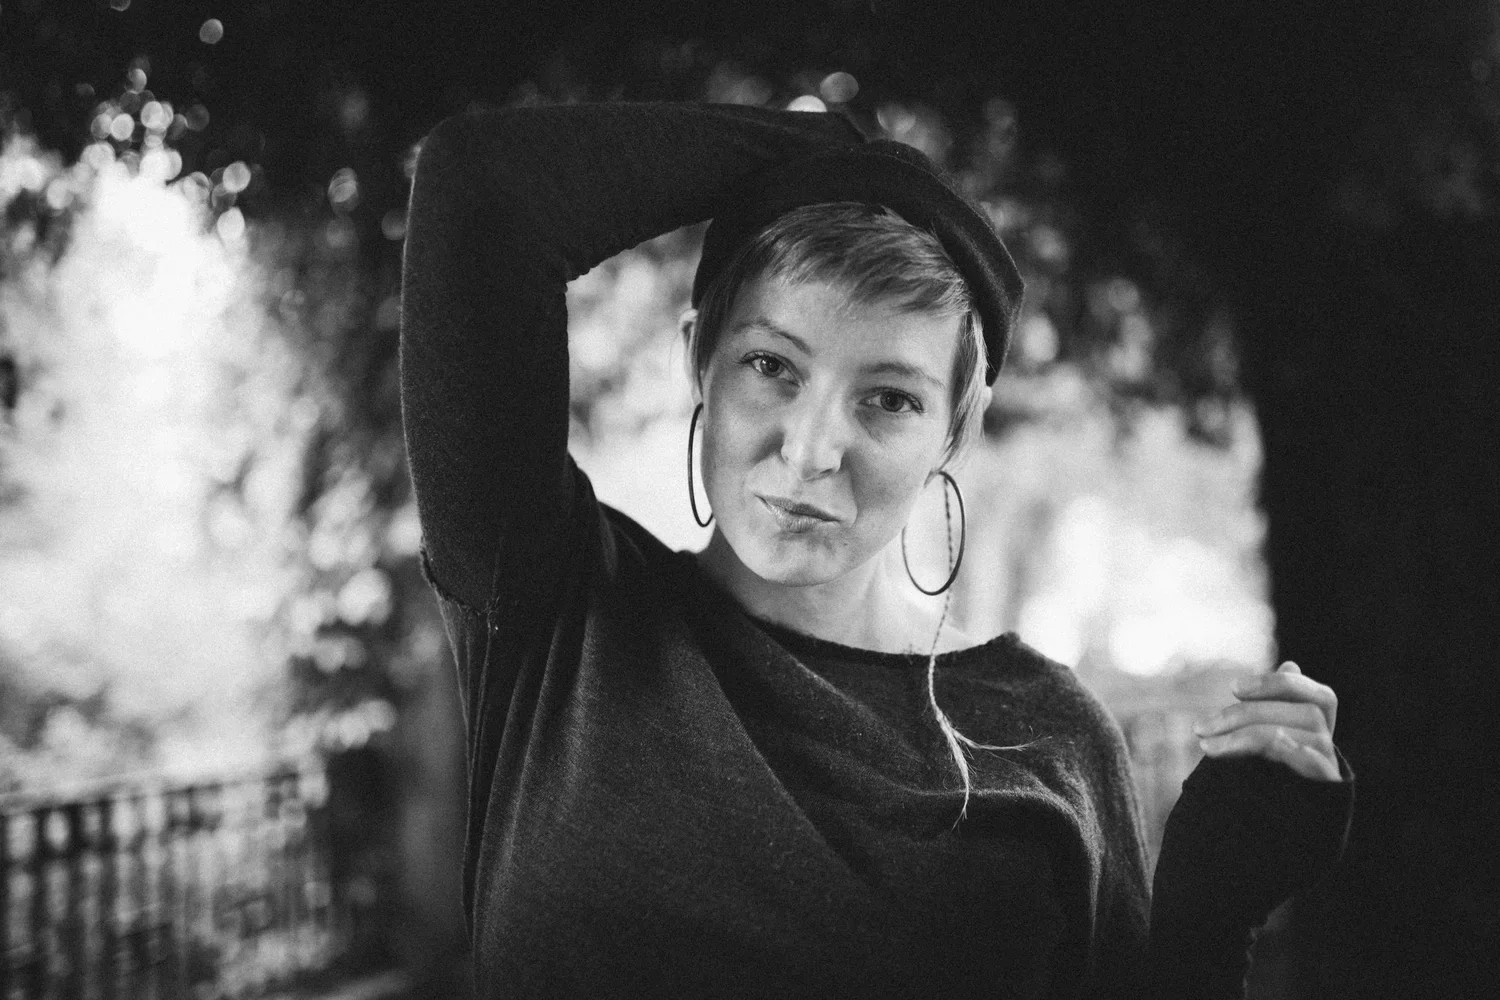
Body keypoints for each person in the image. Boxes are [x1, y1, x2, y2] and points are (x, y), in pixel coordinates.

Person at [398, 100, 1355, 999]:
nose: (813, 450)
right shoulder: (557, 609)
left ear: (956, 429)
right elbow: (479, 188)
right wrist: (826, 152)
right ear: (701, 360)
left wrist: (1210, 918)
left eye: (889, 399)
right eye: (771, 365)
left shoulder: (1049, 741)